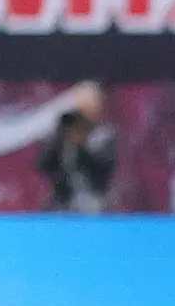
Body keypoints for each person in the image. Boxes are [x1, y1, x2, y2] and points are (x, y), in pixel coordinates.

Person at [39, 86, 119, 214]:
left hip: (93, 197)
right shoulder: (64, 134)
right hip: (63, 198)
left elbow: (106, 167)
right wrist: (60, 142)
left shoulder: (103, 135)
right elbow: (44, 164)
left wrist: (82, 147)